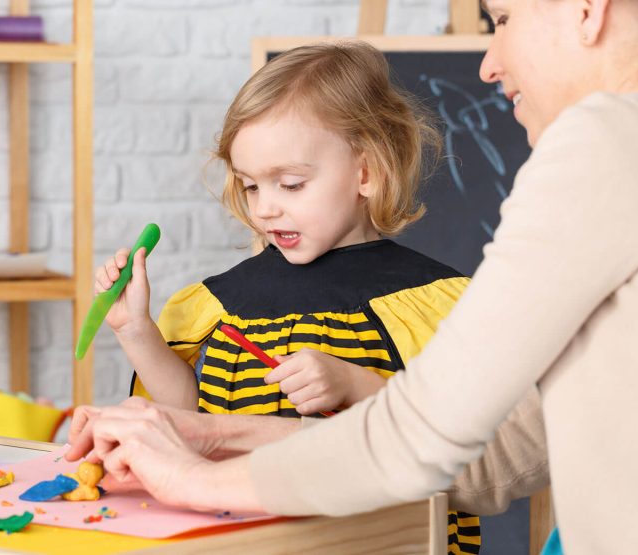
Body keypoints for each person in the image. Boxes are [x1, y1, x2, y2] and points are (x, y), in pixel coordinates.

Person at [66, 0, 638, 552]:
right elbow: (500, 452)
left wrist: (194, 480)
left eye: (503, 18)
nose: (490, 63)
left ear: (587, 6)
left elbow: (425, 435)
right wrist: (214, 431)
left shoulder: (610, 138)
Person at [96, 41, 481, 552]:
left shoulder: (431, 303)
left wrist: (353, 383)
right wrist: (135, 330)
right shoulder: (222, 303)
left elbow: (459, 442)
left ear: (365, 173)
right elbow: (191, 417)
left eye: (291, 184)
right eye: (252, 187)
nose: (266, 210)